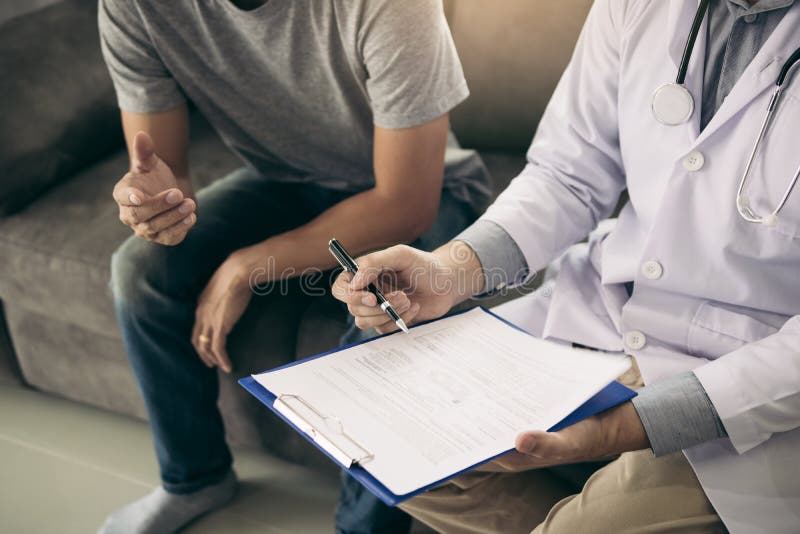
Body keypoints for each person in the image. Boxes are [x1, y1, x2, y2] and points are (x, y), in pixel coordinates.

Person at [333, 0, 800, 532]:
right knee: (377, 437)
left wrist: (618, 430)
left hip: (750, 375)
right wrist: (450, 271)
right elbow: (568, 174)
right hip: (606, 314)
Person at [97, 0, 491, 532]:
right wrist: (155, 206)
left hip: (425, 190)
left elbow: (405, 202)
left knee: (388, 324)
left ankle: (362, 529)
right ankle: (194, 478)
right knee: (141, 271)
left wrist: (247, 265)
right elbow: (169, 182)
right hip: (286, 181)